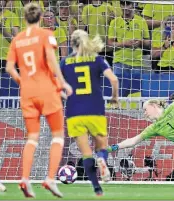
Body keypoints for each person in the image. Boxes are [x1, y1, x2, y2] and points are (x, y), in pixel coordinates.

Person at [5, 3, 72, 198]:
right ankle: (50, 179)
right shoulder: (45, 34)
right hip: (47, 91)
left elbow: (10, 68)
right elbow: (52, 60)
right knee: (58, 135)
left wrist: (22, 82)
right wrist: (62, 83)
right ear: (41, 17)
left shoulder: (17, 40)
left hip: (27, 93)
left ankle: (25, 178)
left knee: (32, 137)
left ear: (24, 18)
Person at [60, 29, 119, 196]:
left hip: (74, 112)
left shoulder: (65, 62)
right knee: (102, 147)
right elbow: (114, 79)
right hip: (95, 109)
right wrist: (114, 98)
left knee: (86, 153)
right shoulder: (97, 59)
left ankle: (97, 188)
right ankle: (102, 158)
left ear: (72, 43)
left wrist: (65, 95)